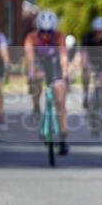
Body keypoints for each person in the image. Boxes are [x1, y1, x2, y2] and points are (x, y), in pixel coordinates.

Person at [24, 10, 70, 155]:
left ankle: (62, 139)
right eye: (43, 31)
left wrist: (65, 73)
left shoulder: (59, 37)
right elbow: (30, 60)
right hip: (39, 64)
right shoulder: (31, 38)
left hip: (54, 66)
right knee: (35, 80)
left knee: (60, 102)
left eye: (48, 31)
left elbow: (63, 57)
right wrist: (31, 74)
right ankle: (36, 106)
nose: (45, 35)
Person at [81, 16, 102, 111]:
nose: (98, 34)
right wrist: (85, 66)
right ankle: (85, 94)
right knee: (86, 72)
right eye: (96, 32)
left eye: (101, 32)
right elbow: (84, 54)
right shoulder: (87, 37)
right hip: (90, 62)